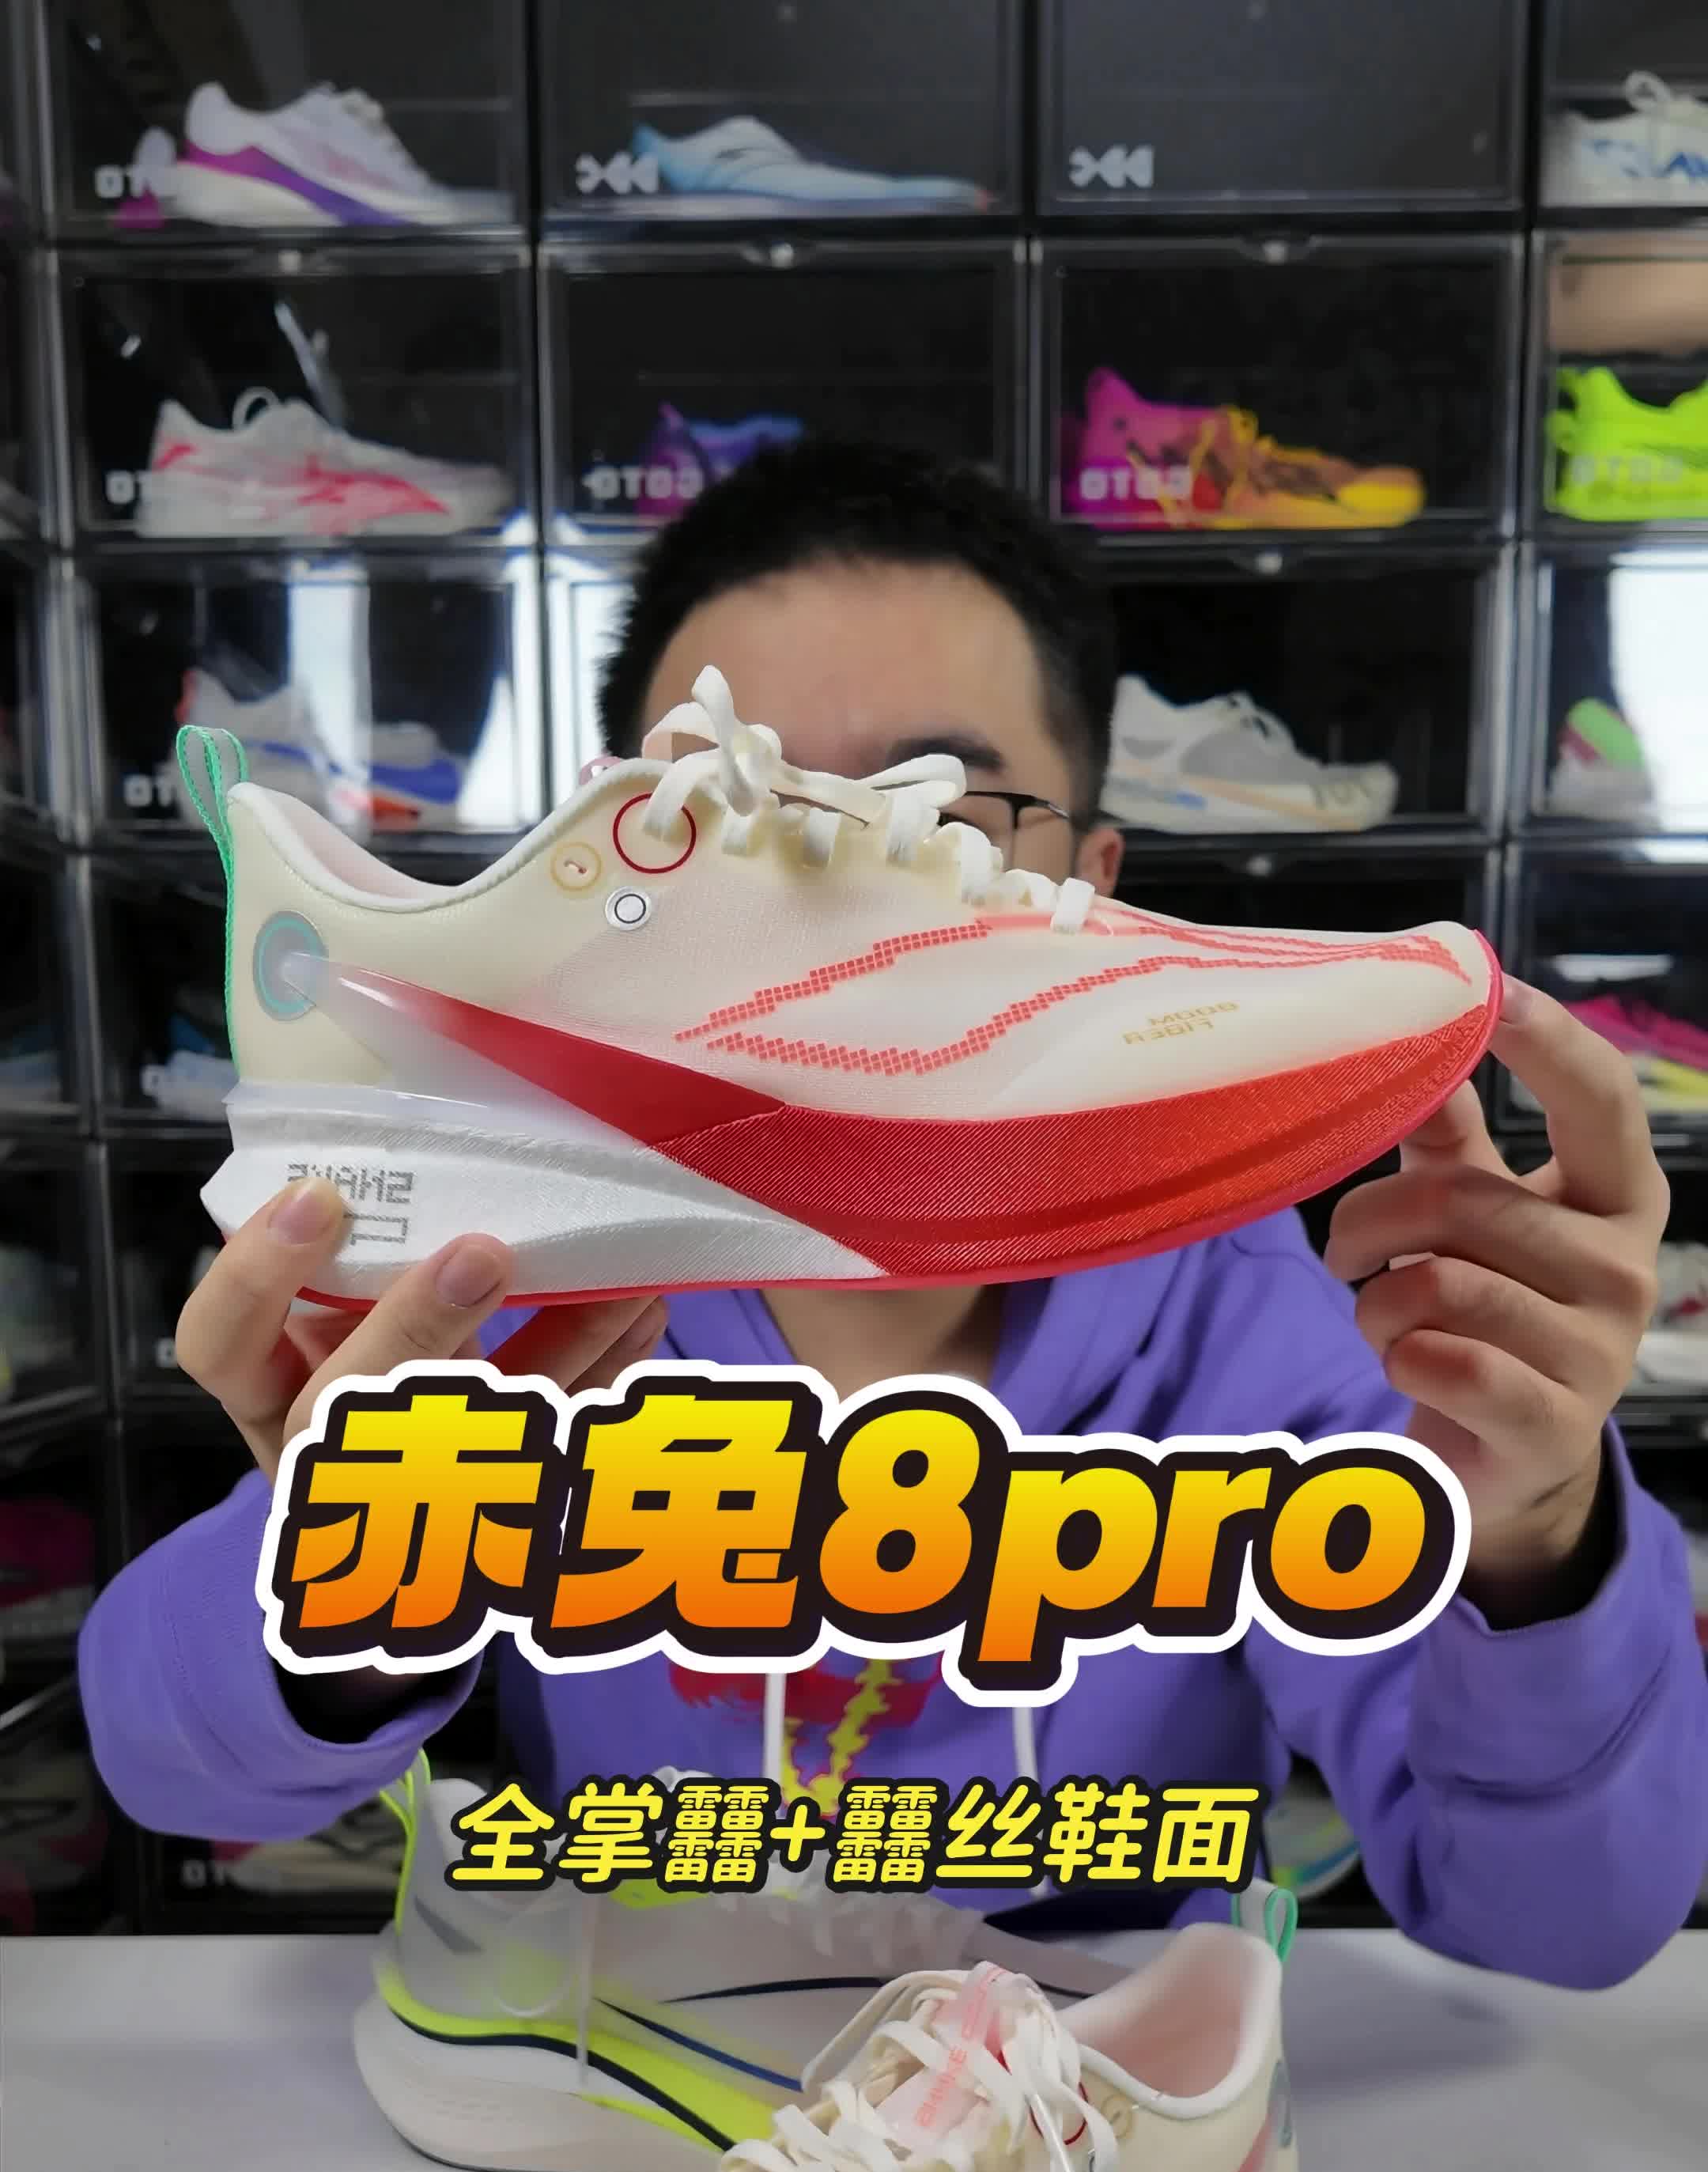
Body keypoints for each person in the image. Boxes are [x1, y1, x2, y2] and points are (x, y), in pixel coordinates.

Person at [79, 441, 1708, 1983]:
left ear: (1095, 885)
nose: (831, 921)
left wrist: (1539, 1538)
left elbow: (1568, 1924)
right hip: (641, 2126)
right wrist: (350, 1562)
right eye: (743, 824)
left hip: (1101, 2114)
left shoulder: (1249, 1318)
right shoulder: (517, 1305)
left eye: (938, 826)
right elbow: (166, 1768)